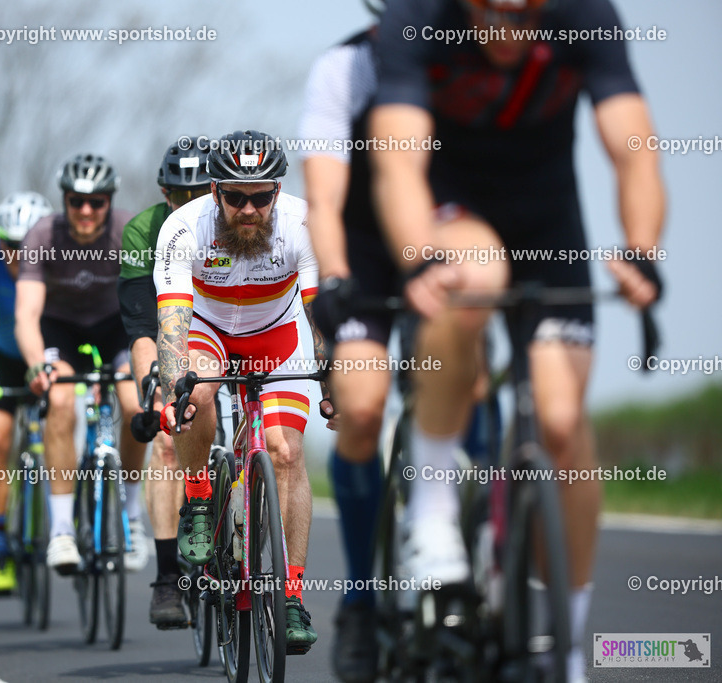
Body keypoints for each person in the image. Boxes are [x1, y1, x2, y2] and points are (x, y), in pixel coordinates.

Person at [369, 1, 665, 680]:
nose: (513, 26)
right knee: (473, 276)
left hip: (549, 221)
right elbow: (396, 159)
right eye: (496, 11)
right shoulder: (419, 16)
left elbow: (633, 147)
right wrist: (419, 258)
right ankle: (435, 507)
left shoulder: (586, 14)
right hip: (453, 210)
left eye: (530, 11)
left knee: (561, 423)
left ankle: (567, 641)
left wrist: (641, 250)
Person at [156, 130, 335, 654]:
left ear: (278, 192)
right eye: (236, 197)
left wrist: (334, 384)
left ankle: (291, 596)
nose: (249, 208)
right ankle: (197, 498)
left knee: (286, 452)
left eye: (261, 196)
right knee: (200, 393)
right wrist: (176, 390)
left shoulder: (304, 226)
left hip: (277, 335)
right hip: (207, 329)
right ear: (215, 192)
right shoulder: (182, 229)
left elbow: (321, 317)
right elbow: (172, 322)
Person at [297, 2, 397, 679]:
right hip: (363, 250)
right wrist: (335, 283)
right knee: (362, 408)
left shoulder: (481, 62)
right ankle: (361, 596)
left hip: (449, 242)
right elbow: (324, 207)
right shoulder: (345, 68)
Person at [15, 154, 149, 574]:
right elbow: (26, 315)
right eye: (76, 202)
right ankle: (60, 532)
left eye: (97, 202)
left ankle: (131, 515)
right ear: (65, 201)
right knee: (58, 403)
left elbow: (148, 302)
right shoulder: (42, 234)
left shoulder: (129, 232)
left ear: (110, 202)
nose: (87, 211)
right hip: (62, 329)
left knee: (135, 407)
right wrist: (38, 365)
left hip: (116, 327)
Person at [118, 138, 212, 627]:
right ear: (163, 192)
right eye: (180, 195)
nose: (190, 205)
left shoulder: (234, 220)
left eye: (202, 193)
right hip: (165, 330)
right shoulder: (144, 231)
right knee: (167, 441)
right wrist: (152, 394)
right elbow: (140, 329)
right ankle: (167, 578)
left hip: (219, 332)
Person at [0, 191, 54, 594]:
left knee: (65, 424)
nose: (19, 254)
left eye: (29, 245)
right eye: (11, 245)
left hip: (46, 352)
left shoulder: (60, 261)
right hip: (1, 357)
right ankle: (0, 547)